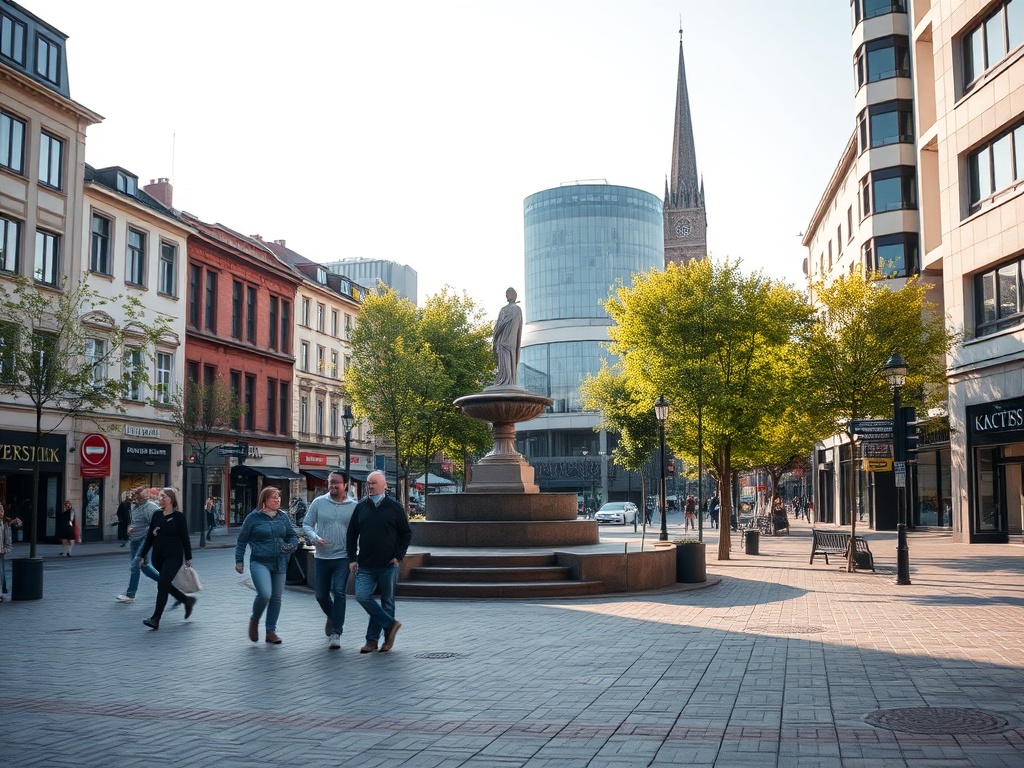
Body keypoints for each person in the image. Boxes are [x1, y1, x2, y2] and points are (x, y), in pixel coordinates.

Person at [347, 471, 411, 653]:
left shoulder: (394, 507)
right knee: (362, 596)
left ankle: (374, 641)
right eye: (369, 483)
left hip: (388, 564)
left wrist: (398, 555)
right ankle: (390, 625)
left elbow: (406, 533)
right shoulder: (361, 507)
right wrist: (352, 558)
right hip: (365, 564)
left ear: (384, 485)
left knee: (387, 602)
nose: (370, 486)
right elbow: (351, 534)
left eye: (374, 483)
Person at [301, 471, 357, 650]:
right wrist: (314, 537)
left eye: (336, 483)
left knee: (339, 591)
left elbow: (359, 531)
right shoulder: (319, 502)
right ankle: (333, 616)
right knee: (320, 596)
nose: (332, 486)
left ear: (345, 485)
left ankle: (336, 633)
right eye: (330, 482)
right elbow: (307, 524)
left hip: (343, 556)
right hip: (322, 556)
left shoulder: (354, 506)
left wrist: (356, 555)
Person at [234, 486, 298, 644]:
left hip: (280, 561)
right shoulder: (253, 518)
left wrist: (290, 546)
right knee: (265, 594)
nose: (277, 499)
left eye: (278, 497)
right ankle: (254, 620)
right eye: (273, 497)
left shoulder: (283, 517)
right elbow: (241, 541)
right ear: (264, 500)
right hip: (260, 561)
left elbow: (292, 535)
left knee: (276, 597)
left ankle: (271, 631)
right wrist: (239, 561)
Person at [136, 488, 195, 630]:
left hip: (173, 556)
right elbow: (150, 537)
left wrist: (188, 557)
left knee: (162, 584)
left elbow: (185, 537)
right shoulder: (156, 515)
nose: (160, 499)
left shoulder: (179, 517)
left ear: (171, 500)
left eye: (164, 497)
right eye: (160, 496)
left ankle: (155, 619)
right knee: (164, 584)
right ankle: (186, 600)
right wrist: (142, 555)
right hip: (158, 557)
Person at [116, 488, 161, 604]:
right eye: (135, 494)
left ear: (146, 496)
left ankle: (130, 594)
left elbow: (158, 522)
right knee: (144, 568)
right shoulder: (134, 506)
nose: (136, 497)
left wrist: (152, 534)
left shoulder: (150, 507)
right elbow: (134, 521)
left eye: (139, 495)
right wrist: (130, 527)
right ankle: (166, 582)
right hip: (134, 540)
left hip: (144, 540)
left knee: (135, 565)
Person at [492, 287, 523, 387]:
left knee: (508, 358)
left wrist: (501, 326)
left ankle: (508, 380)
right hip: (501, 339)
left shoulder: (516, 309)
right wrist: (496, 336)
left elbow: (516, 325)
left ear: (514, 295)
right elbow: (498, 324)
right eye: (506, 293)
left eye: (509, 293)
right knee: (502, 361)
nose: (507, 295)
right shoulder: (503, 309)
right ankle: (502, 379)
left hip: (510, 339)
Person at [0, 502, 21, 601]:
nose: (1, 512)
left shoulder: (5, 521)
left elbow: (18, 524)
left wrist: (16, 522)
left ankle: (1, 593)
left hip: (1, 550)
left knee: (1, 572)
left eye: (2, 510)